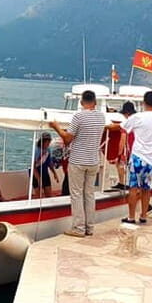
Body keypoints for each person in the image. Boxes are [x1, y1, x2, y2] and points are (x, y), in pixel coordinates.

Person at [49, 89, 105, 237]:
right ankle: (89, 227)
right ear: (95, 102)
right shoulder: (101, 117)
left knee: (76, 194)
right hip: (93, 160)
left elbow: (68, 139)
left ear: (81, 102)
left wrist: (56, 127)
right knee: (89, 194)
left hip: (78, 160)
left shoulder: (78, 116)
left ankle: (78, 228)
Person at [119, 91, 152, 224]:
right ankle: (144, 215)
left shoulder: (136, 117)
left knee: (133, 188)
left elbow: (123, 128)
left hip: (138, 156)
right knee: (146, 188)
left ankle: (131, 216)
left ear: (143, 102)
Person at [32, 133, 59, 197]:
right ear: (42, 141)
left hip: (44, 172)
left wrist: (54, 173)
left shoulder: (48, 149)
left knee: (49, 194)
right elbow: (33, 166)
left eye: (49, 142)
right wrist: (38, 179)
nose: (49, 143)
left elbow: (50, 163)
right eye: (47, 142)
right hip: (35, 173)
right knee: (38, 195)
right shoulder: (36, 150)